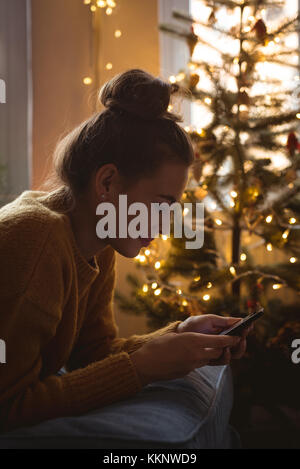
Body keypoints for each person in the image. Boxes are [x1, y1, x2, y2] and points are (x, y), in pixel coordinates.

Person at [0, 69, 252, 434]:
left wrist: (178, 334)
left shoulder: (95, 242)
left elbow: (94, 352)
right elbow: (9, 405)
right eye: (161, 202)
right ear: (107, 182)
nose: (165, 224)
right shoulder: (36, 240)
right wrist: (144, 367)